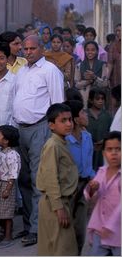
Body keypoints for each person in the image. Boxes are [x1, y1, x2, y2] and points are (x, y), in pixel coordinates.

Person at [12, 35, 65, 246]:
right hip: (20, 129)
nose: (28, 52)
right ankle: (27, 225)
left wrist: (56, 134)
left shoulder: (50, 70)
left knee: (37, 180)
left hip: (40, 127)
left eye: (32, 48)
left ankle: (36, 228)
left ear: (41, 49)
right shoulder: (22, 71)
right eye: (25, 49)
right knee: (23, 179)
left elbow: (58, 102)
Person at [36, 103, 78, 255]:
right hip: (54, 203)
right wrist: (58, 207)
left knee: (54, 248)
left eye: (70, 120)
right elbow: (50, 178)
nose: (68, 124)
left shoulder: (62, 143)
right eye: (63, 120)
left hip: (60, 202)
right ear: (51, 125)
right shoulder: (53, 145)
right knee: (62, 249)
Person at [64, 100, 95, 255]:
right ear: (75, 119)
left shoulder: (88, 137)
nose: (86, 114)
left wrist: (94, 182)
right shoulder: (64, 142)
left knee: (80, 228)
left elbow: (89, 166)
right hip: (69, 187)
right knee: (66, 229)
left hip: (84, 186)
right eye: (83, 112)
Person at [84, 131, 121, 256]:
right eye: (110, 149)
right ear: (104, 153)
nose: (114, 153)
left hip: (118, 231)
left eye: (118, 149)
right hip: (100, 228)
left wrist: (110, 226)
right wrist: (92, 188)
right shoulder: (101, 171)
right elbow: (90, 194)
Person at [0, 125, 21, 249]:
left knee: (6, 213)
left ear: (6, 140)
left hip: (6, 184)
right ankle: (3, 232)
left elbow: (13, 174)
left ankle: (8, 236)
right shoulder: (1, 152)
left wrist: (7, 189)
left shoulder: (12, 155)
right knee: (0, 211)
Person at [74, 41, 109, 106]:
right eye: (87, 50)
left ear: (97, 51)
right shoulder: (79, 65)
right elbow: (76, 85)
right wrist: (89, 81)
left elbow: (105, 83)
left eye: (93, 50)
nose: (90, 52)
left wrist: (94, 77)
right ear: (84, 51)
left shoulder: (102, 65)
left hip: (99, 99)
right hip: (84, 99)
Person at [87, 89, 113, 171]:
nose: (100, 101)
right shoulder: (85, 114)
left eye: (102, 99)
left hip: (102, 150)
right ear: (91, 100)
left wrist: (104, 140)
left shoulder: (107, 115)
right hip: (88, 149)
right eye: (97, 99)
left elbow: (111, 131)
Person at [107, 23, 121, 89]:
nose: (118, 33)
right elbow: (110, 64)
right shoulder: (112, 46)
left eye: (120, 31)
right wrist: (106, 79)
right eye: (117, 31)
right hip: (116, 80)